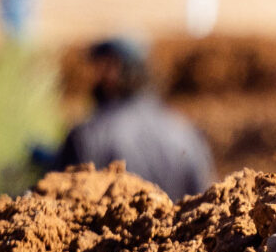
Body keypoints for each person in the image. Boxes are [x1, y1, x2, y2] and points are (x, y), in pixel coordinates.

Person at [51, 38, 215, 199]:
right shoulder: (186, 133)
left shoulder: (88, 136)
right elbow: (204, 201)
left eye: (98, 68)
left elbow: (61, 200)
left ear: (112, 70)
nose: (92, 78)